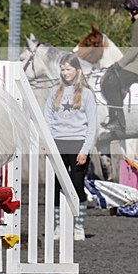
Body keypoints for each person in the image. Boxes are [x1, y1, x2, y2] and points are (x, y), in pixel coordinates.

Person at [44, 53, 97, 241]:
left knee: (76, 185)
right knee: (57, 186)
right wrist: (47, 142)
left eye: (68, 69)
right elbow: (47, 118)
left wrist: (85, 150)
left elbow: (92, 124)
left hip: (77, 142)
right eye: (63, 69)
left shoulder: (87, 94)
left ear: (77, 70)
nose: (65, 72)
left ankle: (78, 225)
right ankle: (58, 225)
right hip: (58, 142)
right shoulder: (54, 92)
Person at [100, 0, 138, 134]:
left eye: (128, 11)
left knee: (111, 83)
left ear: (134, 11)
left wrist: (117, 65)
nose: (127, 14)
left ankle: (118, 122)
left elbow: (134, 51)